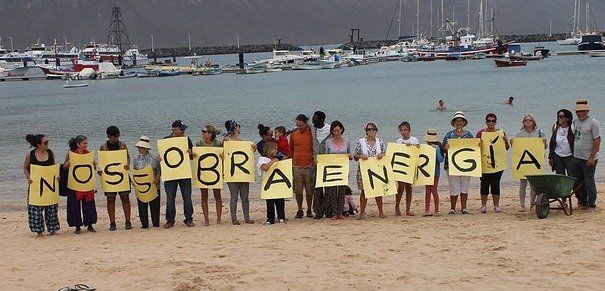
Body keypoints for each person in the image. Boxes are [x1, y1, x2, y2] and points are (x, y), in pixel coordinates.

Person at [23, 134, 60, 236]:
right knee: (35, 209)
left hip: (49, 185)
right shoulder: (30, 155)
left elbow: (53, 167)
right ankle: (39, 231)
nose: (48, 143)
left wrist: (57, 176)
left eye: (47, 141)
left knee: (51, 208)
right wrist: (29, 177)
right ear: (39, 144)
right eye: (45, 142)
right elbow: (25, 168)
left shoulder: (50, 153)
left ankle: (52, 229)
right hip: (35, 186)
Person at [162, 119, 195, 228]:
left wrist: (191, 153)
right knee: (170, 197)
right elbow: (163, 157)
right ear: (174, 129)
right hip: (170, 173)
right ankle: (170, 220)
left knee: (187, 196)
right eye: (181, 129)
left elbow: (192, 156)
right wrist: (159, 158)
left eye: (183, 129)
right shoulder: (165, 140)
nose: (183, 131)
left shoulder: (186, 139)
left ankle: (189, 219)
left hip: (184, 172)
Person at [99, 126, 132, 231]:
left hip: (122, 176)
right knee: (110, 200)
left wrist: (127, 164)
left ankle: (128, 221)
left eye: (118, 136)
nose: (117, 138)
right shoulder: (103, 147)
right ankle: (112, 222)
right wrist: (100, 170)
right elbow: (101, 162)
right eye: (115, 136)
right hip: (110, 178)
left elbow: (127, 157)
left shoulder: (123, 145)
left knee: (125, 198)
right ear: (109, 136)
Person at [476, 113, 510, 214]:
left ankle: (496, 205)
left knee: (496, 185)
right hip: (484, 163)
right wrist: (479, 144)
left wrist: (506, 141)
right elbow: (475, 149)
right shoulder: (480, 133)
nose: (491, 122)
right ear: (486, 122)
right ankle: (483, 206)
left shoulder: (501, 132)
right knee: (484, 185)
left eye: (493, 121)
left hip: (498, 163)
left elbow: (507, 148)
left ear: (496, 122)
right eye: (489, 121)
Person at [63, 135, 98, 234]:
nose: (86, 145)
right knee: (74, 206)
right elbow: (64, 167)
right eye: (84, 143)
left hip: (86, 183)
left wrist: (94, 164)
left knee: (89, 205)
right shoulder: (70, 154)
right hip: (74, 183)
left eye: (86, 143)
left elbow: (94, 167)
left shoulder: (88, 153)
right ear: (78, 144)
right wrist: (67, 164)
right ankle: (77, 226)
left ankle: (90, 225)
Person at [570, 99, 600, 211]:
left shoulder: (593, 123)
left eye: (582, 111)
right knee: (578, 181)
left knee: (589, 181)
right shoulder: (575, 122)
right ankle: (582, 202)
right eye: (578, 111)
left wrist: (592, 157)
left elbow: (597, 141)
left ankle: (591, 204)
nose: (580, 113)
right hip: (577, 157)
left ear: (587, 111)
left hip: (589, 158)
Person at [513, 115, 547, 212]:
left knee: (533, 185)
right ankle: (522, 205)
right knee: (523, 184)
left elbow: (544, 147)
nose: (528, 121)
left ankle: (532, 204)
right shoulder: (519, 134)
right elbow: (516, 149)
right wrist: (512, 143)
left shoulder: (540, 133)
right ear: (523, 122)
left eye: (530, 120)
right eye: (526, 120)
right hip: (523, 162)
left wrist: (544, 142)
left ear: (533, 122)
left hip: (535, 162)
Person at [224, 120, 255, 225]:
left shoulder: (242, 142)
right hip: (232, 173)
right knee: (234, 197)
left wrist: (253, 149)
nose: (240, 127)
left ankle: (247, 218)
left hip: (243, 173)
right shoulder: (226, 141)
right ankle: (234, 219)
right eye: (238, 126)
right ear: (235, 128)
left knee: (245, 197)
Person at [442, 111, 474, 215]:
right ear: (454, 122)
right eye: (457, 121)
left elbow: (474, 149)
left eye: (461, 121)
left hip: (466, 164)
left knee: (465, 186)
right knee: (453, 186)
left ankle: (464, 208)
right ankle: (453, 208)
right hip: (451, 165)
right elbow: (443, 149)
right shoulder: (449, 135)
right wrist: (446, 148)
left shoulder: (469, 135)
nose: (459, 122)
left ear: (464, 122)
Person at [354, 122, 387, 219]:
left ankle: (381, 212)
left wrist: (382, 155)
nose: (371, 131)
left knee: (378, 191)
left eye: (373, 129)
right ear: (366, 131)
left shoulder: (380, 142)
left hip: (377, 170)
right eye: (369, 129)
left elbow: (385, 154)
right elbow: (355, 156)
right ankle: (362, 213)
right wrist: (361, 156)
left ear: (376, 131)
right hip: (364, 170)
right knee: (364, 191)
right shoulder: (361, 142)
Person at [324, 120, 353, 220]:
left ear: (341, 130)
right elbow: (326, 156)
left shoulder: (347, 141)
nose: (336, 132)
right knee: (332, 192)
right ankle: (334, 213)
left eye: (338, 130)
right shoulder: (328, 142)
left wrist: (350, 156)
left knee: (341, 191)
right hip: (332, 170)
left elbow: (350, 155)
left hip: (343, 170)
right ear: (332, 131)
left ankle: (340, 213)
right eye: (334, 131)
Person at [196, 125, 224, 226]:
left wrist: (222, 155)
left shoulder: (218, 144)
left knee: (217, 195)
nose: (202, 133)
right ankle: (206, 219)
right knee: (204, 196)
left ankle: (219, 219)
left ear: (210, 134)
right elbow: (195, 158)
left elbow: (224, 155)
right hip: (203, 172)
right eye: (202, 131)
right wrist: (193, 155)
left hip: (215, 171)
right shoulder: (199, 144)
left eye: (204, 131)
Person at [132, 136, 161, 229]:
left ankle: (155, 223)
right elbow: (134, 171)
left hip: (154, 185)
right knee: (142, 205)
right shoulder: (136, 159)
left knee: (155, 206)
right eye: (138, 148)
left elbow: (159, 170)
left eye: (141, 148)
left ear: (146, 148)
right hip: (141, 186)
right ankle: (144, 224)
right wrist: (134, 182)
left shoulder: (154, 158)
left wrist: (157, 178)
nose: (139, 149)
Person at [290, 114, 314, 219]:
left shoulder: (311, 132)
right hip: (296, 166)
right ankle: (299, 209)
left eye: (300, 125)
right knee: (298, 190)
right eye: (297, 125)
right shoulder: (294, 134)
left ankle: (309, 209)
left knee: (309, 190)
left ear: (305, 123)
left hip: (309, 165)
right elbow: (290, 149)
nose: (299, 127)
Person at [257, 141, 286, 225]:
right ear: (269, 149)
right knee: (270, 202)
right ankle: (270, 218)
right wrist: (274, 161)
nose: (276, 150)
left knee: (280, 200)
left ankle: (281, 217)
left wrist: (282, 158)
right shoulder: (262, 159)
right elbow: (265, 168)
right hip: (268, 184)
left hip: (278, 183)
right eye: (274, 149)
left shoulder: (278, 158)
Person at [395, 121, 420, 216]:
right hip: (401, 167)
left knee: (409, 188)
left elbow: (418, 152)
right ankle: (397, 207)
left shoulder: (414, 140)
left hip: (410, 167)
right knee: (400, 188)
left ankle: (408, 209)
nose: (403, 131)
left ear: (409, 130)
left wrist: (414, 147)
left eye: (405, 130)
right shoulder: (399, 141)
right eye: (401, 130)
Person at [311, 111, 333, 219]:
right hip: (315, 163)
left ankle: (329, 211)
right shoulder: (312, 129)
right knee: (317, 187)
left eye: (315, 119)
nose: (313, 121)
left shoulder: (330, 129)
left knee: (328, 188)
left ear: (322, 120)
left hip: (328, 162)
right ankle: (318, 211)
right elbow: (299, 126)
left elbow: (340, 133)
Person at [423, 129, 443, 216]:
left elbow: (440, 160)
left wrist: (435, 151)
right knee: (428, 190)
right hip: (427, 171)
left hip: (435, 172)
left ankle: (436, 209)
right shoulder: (424, 147)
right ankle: (426, 210)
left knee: (433, 189)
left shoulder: (437, 148)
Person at [548, 109, 575, 175]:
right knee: (560, 176)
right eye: (558, 116)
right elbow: (552, 143)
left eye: (561, 116)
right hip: (558, 156)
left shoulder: (573, 128)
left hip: (570, 156)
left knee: (571, 176)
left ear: (567, 118)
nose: (559, 118)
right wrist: (551, 157)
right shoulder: (555, 127)